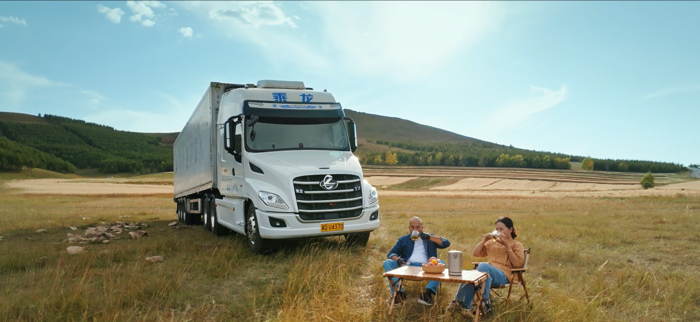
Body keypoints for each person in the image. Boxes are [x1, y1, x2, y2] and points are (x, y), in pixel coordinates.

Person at [446, 217, 524, 317]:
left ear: (511, 229)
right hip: (488, 275)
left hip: (504, 275)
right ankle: (461, 304)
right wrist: (485, 239)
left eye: (501, 229)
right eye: (497, 229)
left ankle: (482, 302)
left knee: (483, 266)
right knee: (473, 277)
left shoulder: (517, 245)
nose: (498, 231)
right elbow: (476, 253)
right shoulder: (492, 243)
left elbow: (517, 264)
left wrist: (507, 246)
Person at [383, 216, 451, 306]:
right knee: (387, 263)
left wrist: (427, 237)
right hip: (406, 266)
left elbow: (446, 243)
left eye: (418, 227)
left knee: (442, 263)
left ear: (422, 228)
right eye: (412, 227)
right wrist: (398, 260)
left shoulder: (430, 239)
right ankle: (399, 294)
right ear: (409, 228)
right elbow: (391, 253)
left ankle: (427, 294)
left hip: (427, 266)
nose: (415, 229)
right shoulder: (403, 239)